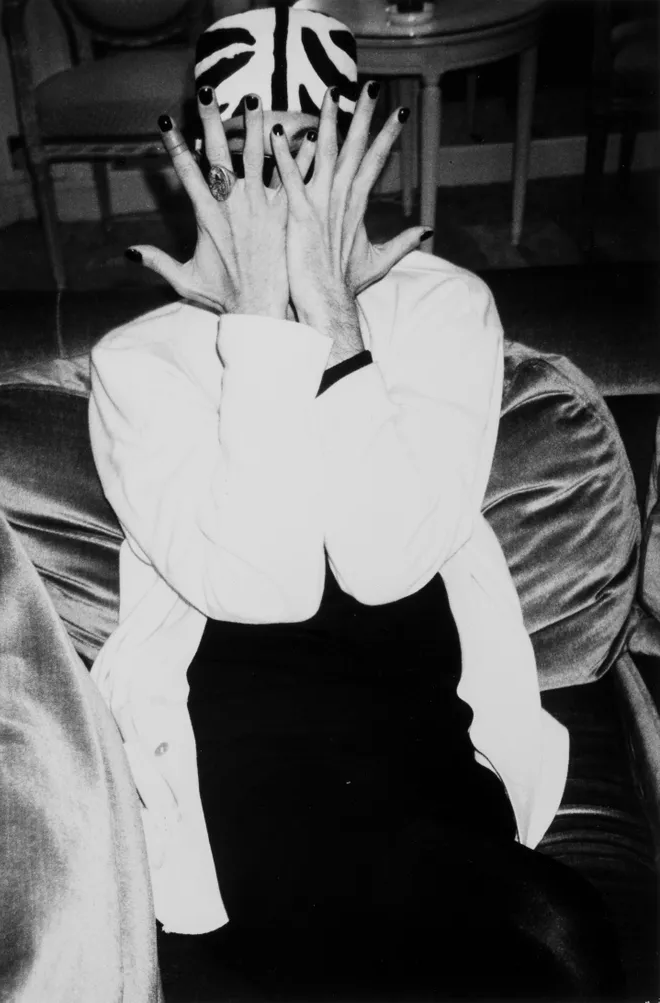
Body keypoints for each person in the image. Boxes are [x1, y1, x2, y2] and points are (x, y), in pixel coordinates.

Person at [89, 5, 624, 1000]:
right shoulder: (140, 360)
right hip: (251, 740)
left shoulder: (439, 306)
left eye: (307, 145)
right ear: (198, 165)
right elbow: (266, 589)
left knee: (561, 935)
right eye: (243, 149)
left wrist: (335, 325)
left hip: (420, 718)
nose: (277, 183)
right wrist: (258, 322)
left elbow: (386, 564)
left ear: (359, 156)